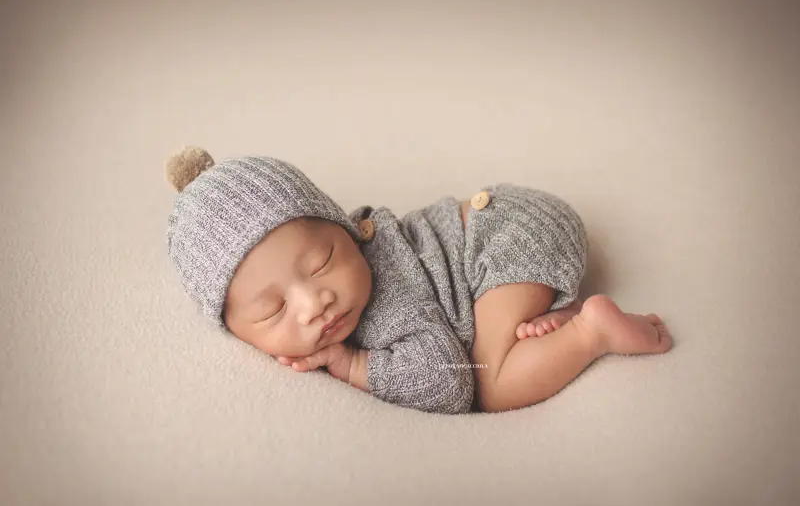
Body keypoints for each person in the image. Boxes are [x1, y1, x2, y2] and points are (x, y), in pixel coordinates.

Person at [165, 146, 672, 414]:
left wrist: (351, 362)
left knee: (491, 382)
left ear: (346, 228)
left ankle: (592, 331)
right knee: (502, 333)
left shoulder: (383, 300)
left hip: (507, 233)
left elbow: (448, 383)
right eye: (272, 311)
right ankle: (548, 313)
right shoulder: (336, 295)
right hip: (500, 232)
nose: (314, 302)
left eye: (321, 261)